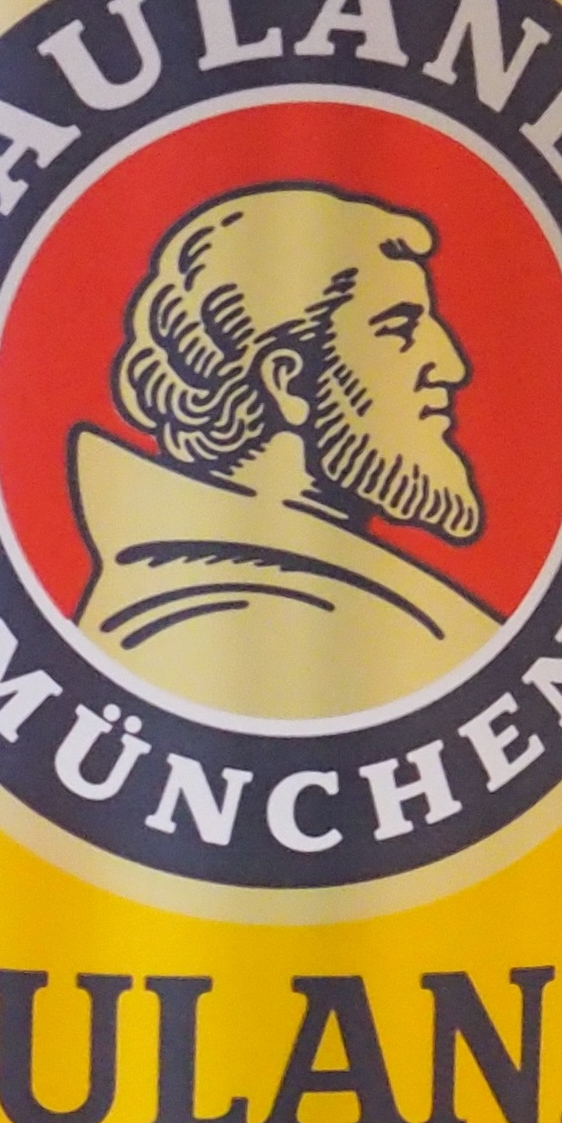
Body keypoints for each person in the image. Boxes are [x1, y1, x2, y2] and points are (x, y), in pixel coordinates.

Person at [68, 185, 505, 726]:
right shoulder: (212, 620)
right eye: (400, 330)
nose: (452, 365)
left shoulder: (332, 595)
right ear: (290, 382)